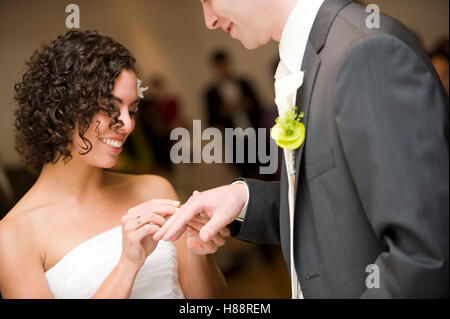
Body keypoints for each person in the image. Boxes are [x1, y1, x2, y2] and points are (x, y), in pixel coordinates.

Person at [154, 0, 449, 298]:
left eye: (207, 0)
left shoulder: (365, 51)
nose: (209, 21)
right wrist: (243, 198)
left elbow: (423, 254)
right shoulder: (317, 54)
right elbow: (335, 200)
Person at [0, 30, 227, 299]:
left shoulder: (154, 189)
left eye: (131, 110)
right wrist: (127, 265)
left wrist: (199, 251)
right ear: (63, 108)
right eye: (110, 107)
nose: (128, 124)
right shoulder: (13, 234)